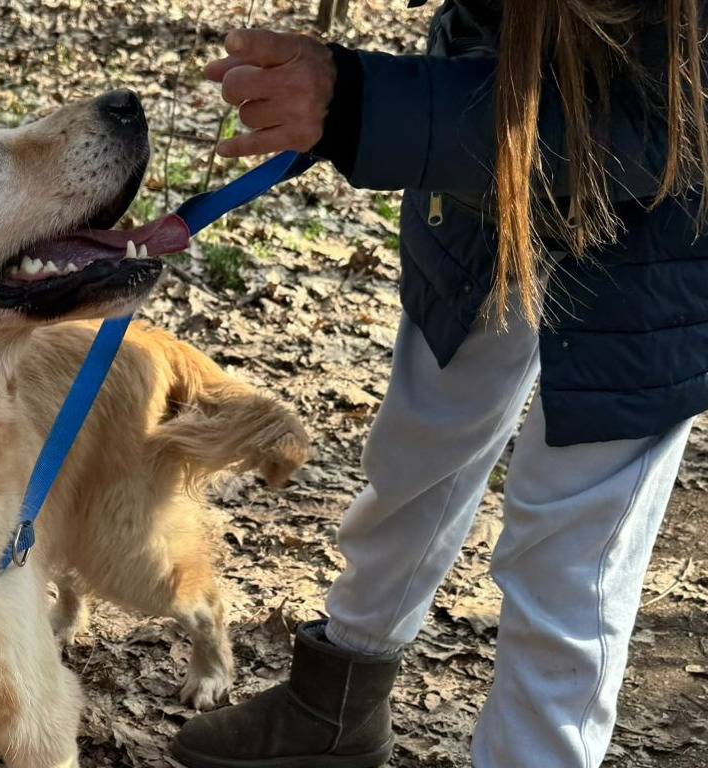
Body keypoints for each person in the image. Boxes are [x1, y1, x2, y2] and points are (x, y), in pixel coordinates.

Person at [170, 2, 708, 767]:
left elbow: (657, 124)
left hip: (661, 236)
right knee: (417, 449)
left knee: (570, 557)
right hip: (481, 162)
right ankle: (336, 705)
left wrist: (356, 102)